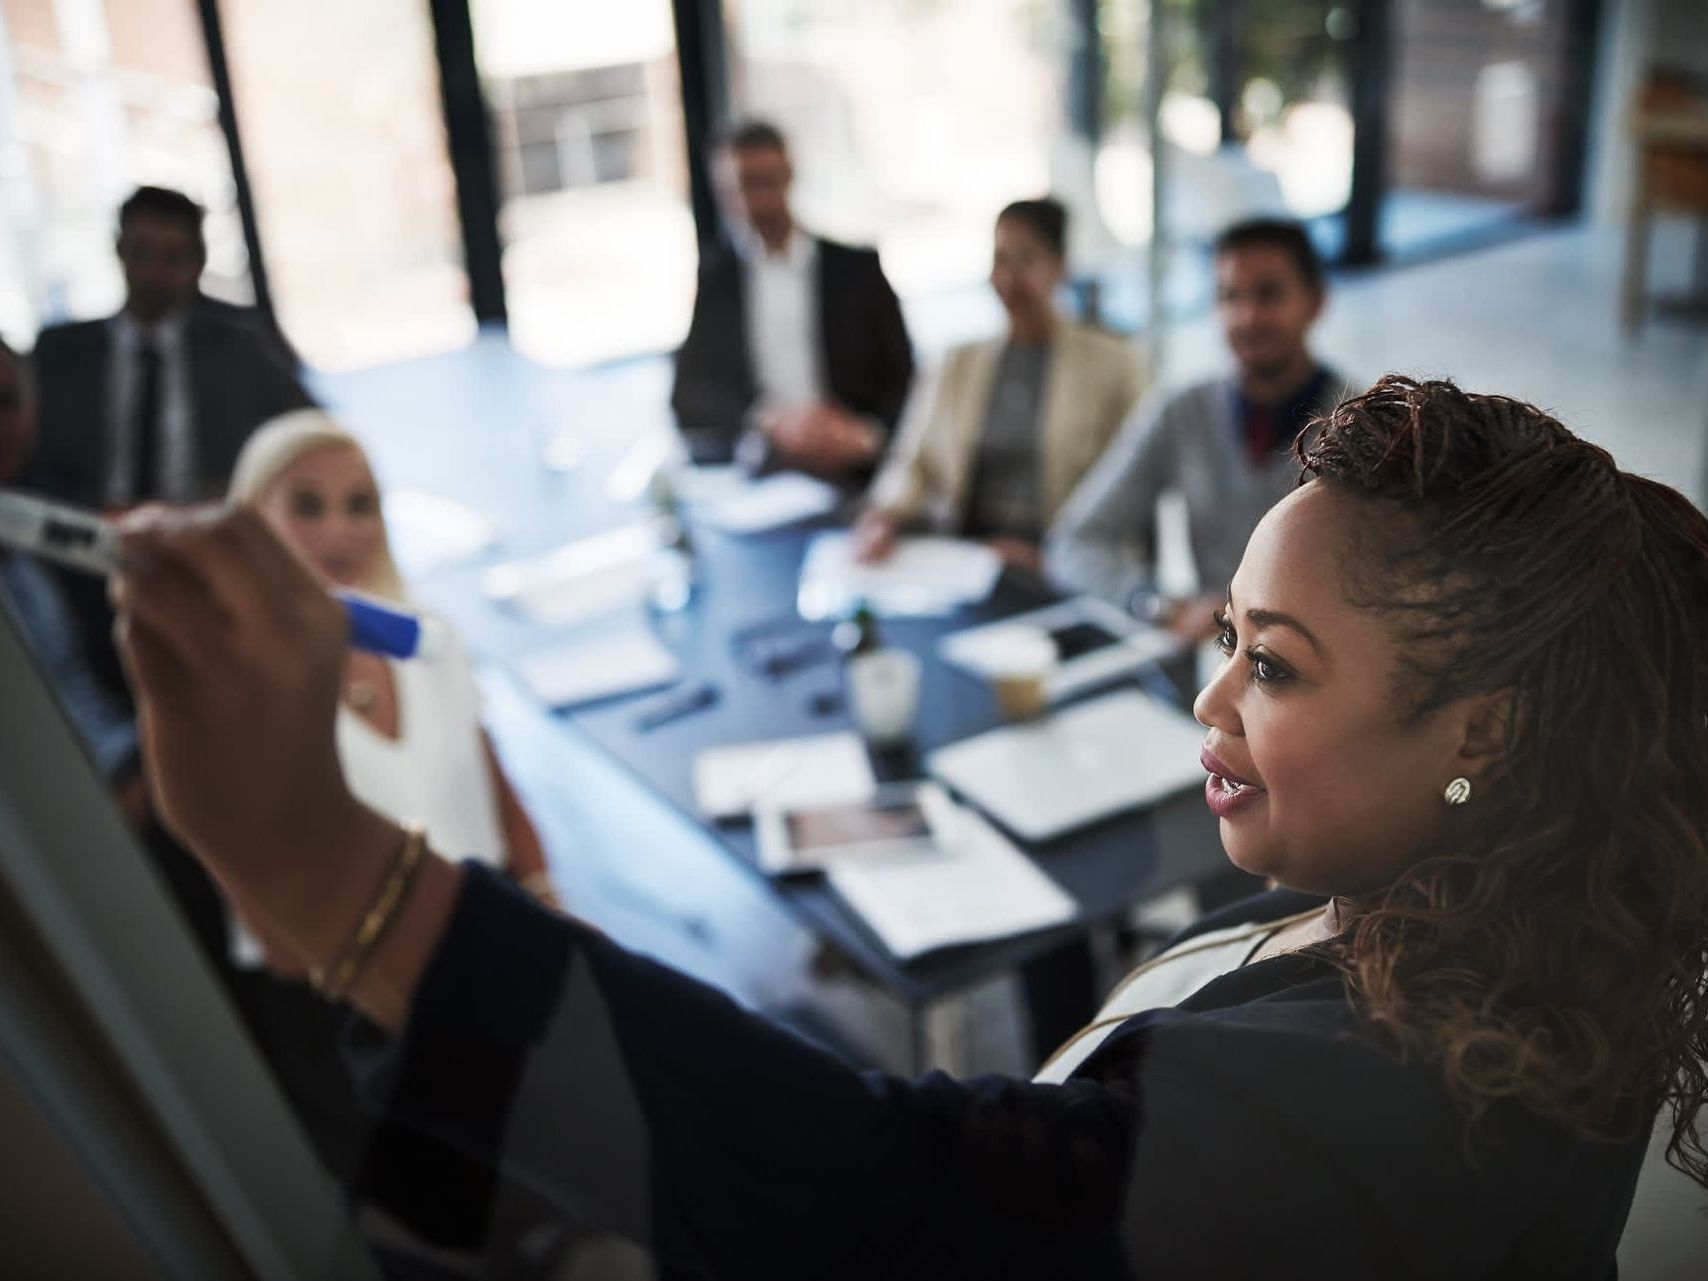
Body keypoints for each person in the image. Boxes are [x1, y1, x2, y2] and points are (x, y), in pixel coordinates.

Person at [111, 376, 1708, 1277]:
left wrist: (328, 869)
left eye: (1273, 665)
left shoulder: (1388, 1111)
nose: (1208, 704)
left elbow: (911, 1206)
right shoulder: (1498, 927)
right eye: (1223, 636)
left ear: (1481, 730)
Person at [1046, 217, 1353, 642]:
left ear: (1316, 301)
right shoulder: (1181, 411)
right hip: (1213, 663)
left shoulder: (1363, 429)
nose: (1247, 317)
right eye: (1230, 297)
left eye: (1269, 294)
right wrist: (1152, 602)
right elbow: (1075, 542)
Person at [853, 198, 1146, 573]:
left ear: (1060, 266)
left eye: (1025, 259)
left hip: (1059, 562)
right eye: (1000, 260)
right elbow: (912, 461)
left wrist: (1052, 559)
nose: (1008, 279)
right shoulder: (958, 362)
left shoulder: (1114, 363)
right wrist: (882, 517)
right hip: (965, 557)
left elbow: (1128, 493)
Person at [29, 185, 313, 510]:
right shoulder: (61, 353)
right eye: (142, 252)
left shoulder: (242, 349)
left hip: (208, 533)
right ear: (120, 250)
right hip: (88, 535)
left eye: (172, 256)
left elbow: (308, 435)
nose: (154, 272)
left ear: (197, 261)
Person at [670, 120, 915, 485]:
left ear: (789, 175)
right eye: (741, 187)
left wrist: (867, 435)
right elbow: (691, 396)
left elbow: (907, 382)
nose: (757, 202)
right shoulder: (717, 279)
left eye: (766, 182)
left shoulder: (856, 270)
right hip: (767, 471)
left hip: (856, 466)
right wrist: (769, 421)